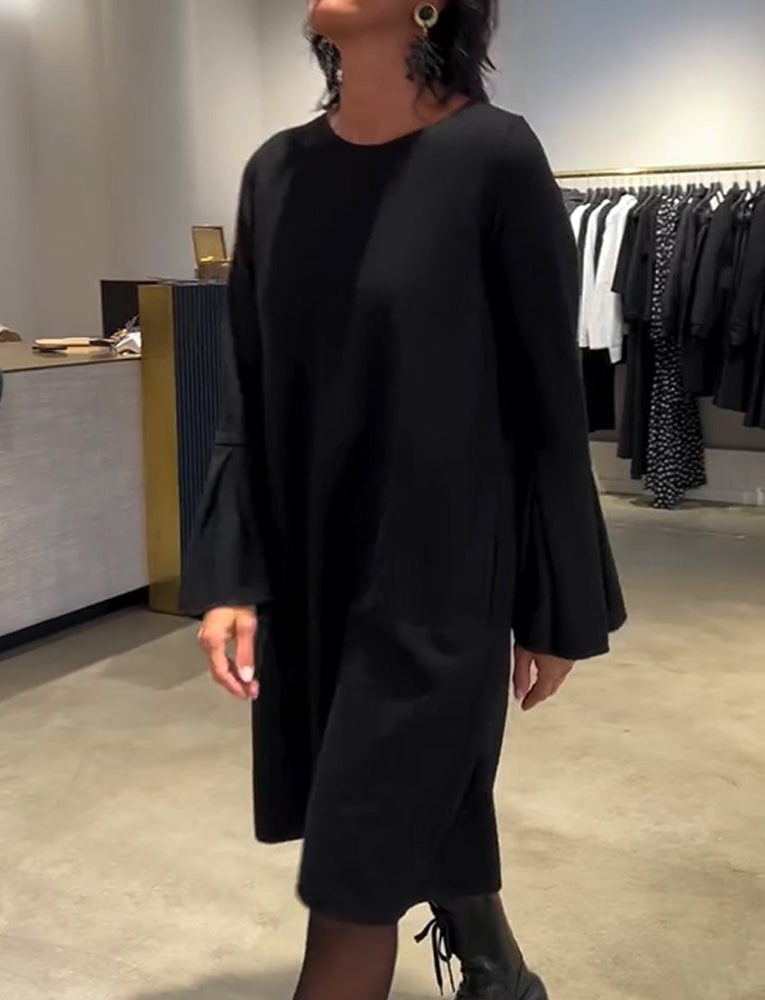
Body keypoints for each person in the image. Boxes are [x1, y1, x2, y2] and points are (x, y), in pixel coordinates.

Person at [180, 1, 626, 997]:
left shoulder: (493, 158)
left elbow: (546, 403)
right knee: (381, 823)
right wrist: (233, 575)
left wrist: (554, 601)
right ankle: (501, 973)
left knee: (351, 881)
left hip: (438, 586)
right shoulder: (275, 173)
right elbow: (247, 391)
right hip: (312, 582)